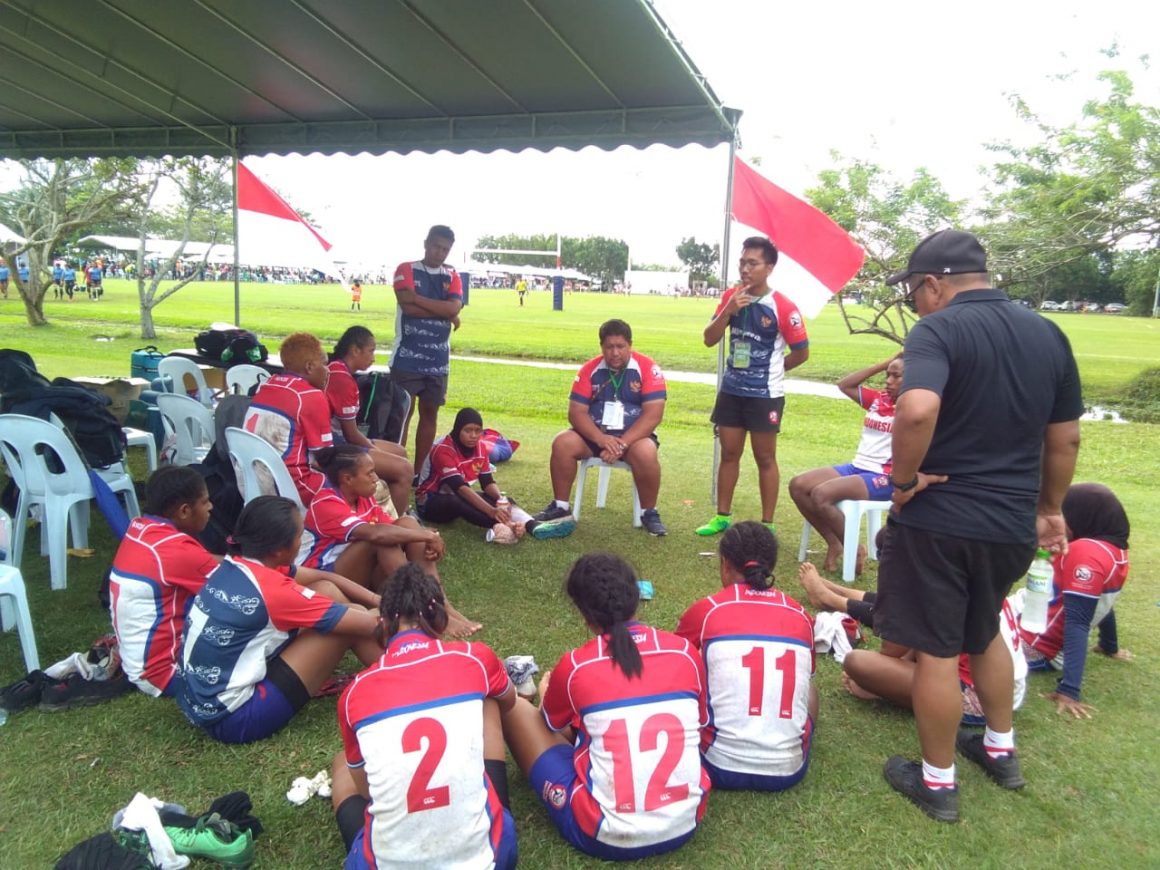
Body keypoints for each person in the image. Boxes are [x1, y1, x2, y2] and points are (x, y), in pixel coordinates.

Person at [876, 229, 1083, 822]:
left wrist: (905, 481)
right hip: (1011, 522)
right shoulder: (1048, 333)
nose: (914, 302)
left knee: (939, 650)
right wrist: (1049, 507)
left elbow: (917, 409)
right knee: (984, 628)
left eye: (914, 290)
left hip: (942, 520)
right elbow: (1064, 435)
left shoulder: (938, 329)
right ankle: (999, 748)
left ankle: (937, 781)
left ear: (935, 284)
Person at [500, 553, 710, 861]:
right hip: (685, 820)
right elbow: (698, 725)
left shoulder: (575, 665)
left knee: (515, 710)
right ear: (636, 599)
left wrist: (546, 692)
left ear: (585, 616)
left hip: (605, 833)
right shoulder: (685, 652)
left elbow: (550, 725)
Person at [331, 564, 517, 870]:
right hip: (489, 860)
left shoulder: (354, 693)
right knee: (489, 699)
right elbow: (509, 701)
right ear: (441, 620)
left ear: (382, 625)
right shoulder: (474, 658)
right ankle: (489, 807)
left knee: (343, 765)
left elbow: (366, 791)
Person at [178, 496, 383, 744]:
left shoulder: (237, 565)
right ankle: (405, 675)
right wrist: (399, 607)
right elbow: (372, 625)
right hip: (233, 719)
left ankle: (402, 666)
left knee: (326, 590)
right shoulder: (273, 591)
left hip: (201, 704)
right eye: (300, 535)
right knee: (346, 626)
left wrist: (377, 600)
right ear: (279, 549)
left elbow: (324, 578)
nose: (302, 539)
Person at [797, 563, 1029, 727]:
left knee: (858, 662)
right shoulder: (963, 571)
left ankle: (830, 598)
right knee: (906, 610)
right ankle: (834, 593)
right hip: (1005, 690)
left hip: (976, 697)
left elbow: (893, 646)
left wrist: (880, 686)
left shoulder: (935, 581)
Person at [676, 522, 817, 791]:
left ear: (725, 564)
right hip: (787, 769)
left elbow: (675, 667)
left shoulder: (708, 610)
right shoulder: (799, 613)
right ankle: (785, 737)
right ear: (771, 567)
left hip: (714, 763)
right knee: (810, 689)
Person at [302, 444, 481, 637]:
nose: (376, 478)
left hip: (358, 574)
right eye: (370, 473)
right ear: (347, 479)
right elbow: (377, 534)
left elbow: (396, 527)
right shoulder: (326, 503)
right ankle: (425, 612)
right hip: (328, 579)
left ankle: (441, 604)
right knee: (380, 539)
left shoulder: (363, 497)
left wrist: (422, 534)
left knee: (407, 522)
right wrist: (426, 535)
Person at [698, 236, 809, 537]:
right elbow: (709, 339)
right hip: (732, 390)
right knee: (729, 454)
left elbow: (802, 352)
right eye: (742, 262)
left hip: (765, 395)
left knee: (764, 458)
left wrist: (775, 369)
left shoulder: (783, 306)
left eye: (753, 263)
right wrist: (729, 310)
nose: (745, 269)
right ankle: (722, 516)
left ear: (769, 268)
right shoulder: (730, 298)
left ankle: (768, 523)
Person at [532, 319, 669, 536]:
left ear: (630, 345)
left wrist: (622, 444)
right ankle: (560, 507)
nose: (615, 353)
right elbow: (576, 412)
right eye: (609, 347)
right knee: (562, 442)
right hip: (596, 436)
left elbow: (654, 414)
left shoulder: (647, 368)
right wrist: (602, 440)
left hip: (633, 439)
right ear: (601, 347)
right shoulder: (589, 369)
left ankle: (649, 512)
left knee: (646, 451)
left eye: (620, 346)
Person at [1018, 482, 1131, 719]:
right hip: (1029, 628)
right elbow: (1103, 605)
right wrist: (1109, 646)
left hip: (1034, 644)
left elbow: (1077, 622)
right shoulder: (1116, 552)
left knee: (947, 645)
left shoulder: (1086, 552)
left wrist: (1069, 691)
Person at [108, 466, 219, 698]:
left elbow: (210, 563)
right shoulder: (175, 550)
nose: (210, 507)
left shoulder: (140, 528)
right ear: (185, 511)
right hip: (167, 673)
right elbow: (244, 588)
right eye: (205, 501)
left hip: (138, 665)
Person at [789, 355, 903, 572]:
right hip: (858, 467)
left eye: (896, 376)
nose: (888, 380)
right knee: (799, 485)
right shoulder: (879, 400)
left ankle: (855, 549)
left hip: (885, 476)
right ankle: (836, 542)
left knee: (821, 494)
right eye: (888, 375)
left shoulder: (914, 408)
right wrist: (884, 363)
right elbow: (845, 385)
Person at [417, 407, 575, 542]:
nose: (473, 435)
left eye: (477, 431)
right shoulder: (443, 449)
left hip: (457, 494)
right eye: (468, 430)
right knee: (457, 501)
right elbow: (460, 488)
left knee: (502, 500)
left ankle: (533, 526)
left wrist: (500, 501)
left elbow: (487, 482)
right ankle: (505, 526)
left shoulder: (480, 448)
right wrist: (492, 511)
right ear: (458, 430)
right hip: (430, 501)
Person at [389, 224, 463, 476]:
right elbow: (407, 308)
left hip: (438, 362)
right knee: (402, 416)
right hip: (407, 359)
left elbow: (452, 308)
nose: (440, 252)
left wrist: (418, 299)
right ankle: (396, 468)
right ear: (426, 243)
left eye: (445, 249)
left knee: (429, 414)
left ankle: (417, 473)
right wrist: (444, 310)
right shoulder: (406, 269)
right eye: (436, 246)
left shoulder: (452, 275)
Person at [327, 326, 414, 514]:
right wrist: (372, 449)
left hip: (340, 438)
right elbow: (351, 435)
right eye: (371, 350)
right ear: (355, 350)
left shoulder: (338, 370)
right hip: (336, 444)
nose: (373, 357)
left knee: (399, 451)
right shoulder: (341, 379)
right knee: (404, 469)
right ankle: (398, 527)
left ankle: (391, 508)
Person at [243, 332, 334, 506]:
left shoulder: (266, 385)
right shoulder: (310, 395)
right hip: (290, 487)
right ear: (309, 367)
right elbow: (326, 458)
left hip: (251, 484)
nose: (328, 371)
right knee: (361, 485)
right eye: (324, 364)